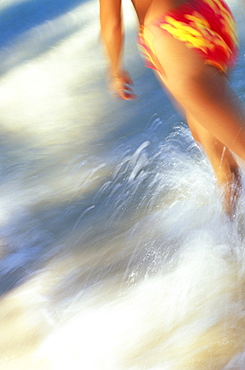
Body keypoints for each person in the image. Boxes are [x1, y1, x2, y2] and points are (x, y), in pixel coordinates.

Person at [99, 0, 245, 216]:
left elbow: (112, 23)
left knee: (228, 165)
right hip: (211, 13)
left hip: (171, 32)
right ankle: (230, 244)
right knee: (224, 164)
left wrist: (115, 71)